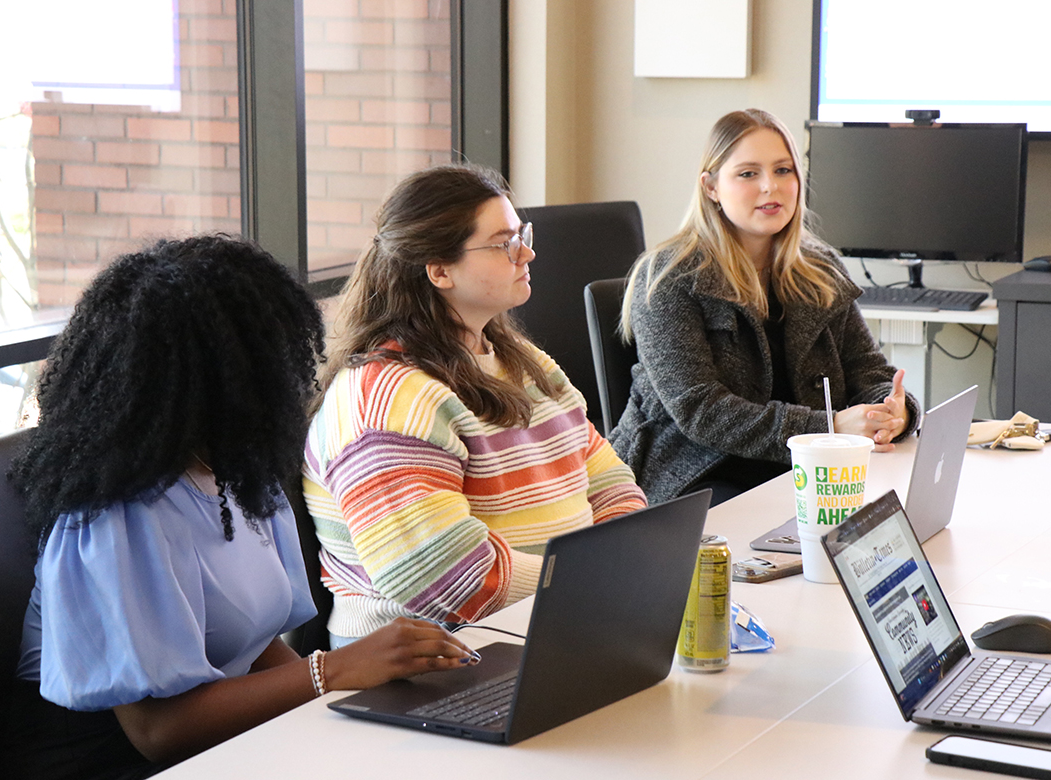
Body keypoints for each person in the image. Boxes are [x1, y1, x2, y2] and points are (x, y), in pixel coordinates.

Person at [6, 235, 477, 780]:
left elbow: (249, 646)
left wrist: (343, 697)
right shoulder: (115, 518)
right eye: (266, 360)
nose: (290, 377)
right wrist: (335, 670)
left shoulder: (237, 474)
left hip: (219, 744)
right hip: (110, 761)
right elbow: (157, 732)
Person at [304, 164, 646, 644]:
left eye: (520, 234)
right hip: (432, 657)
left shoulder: (523, 362)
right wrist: (594, 585)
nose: (526, 252)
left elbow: (609, 481)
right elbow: (443, 579)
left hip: (550, 622)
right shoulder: (384, 398)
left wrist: (625, 568)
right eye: (503, 242)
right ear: (440, 270)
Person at [609, 109, 920, 506]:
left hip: (800, 468)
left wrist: (892, 412)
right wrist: (831, 427)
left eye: (783, 170)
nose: (770, 187)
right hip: (695, 472)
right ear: (711, 187)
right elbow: (700, 410)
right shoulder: (670, 277)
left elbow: (869, 370)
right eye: (748, 174)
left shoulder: (819, 267)